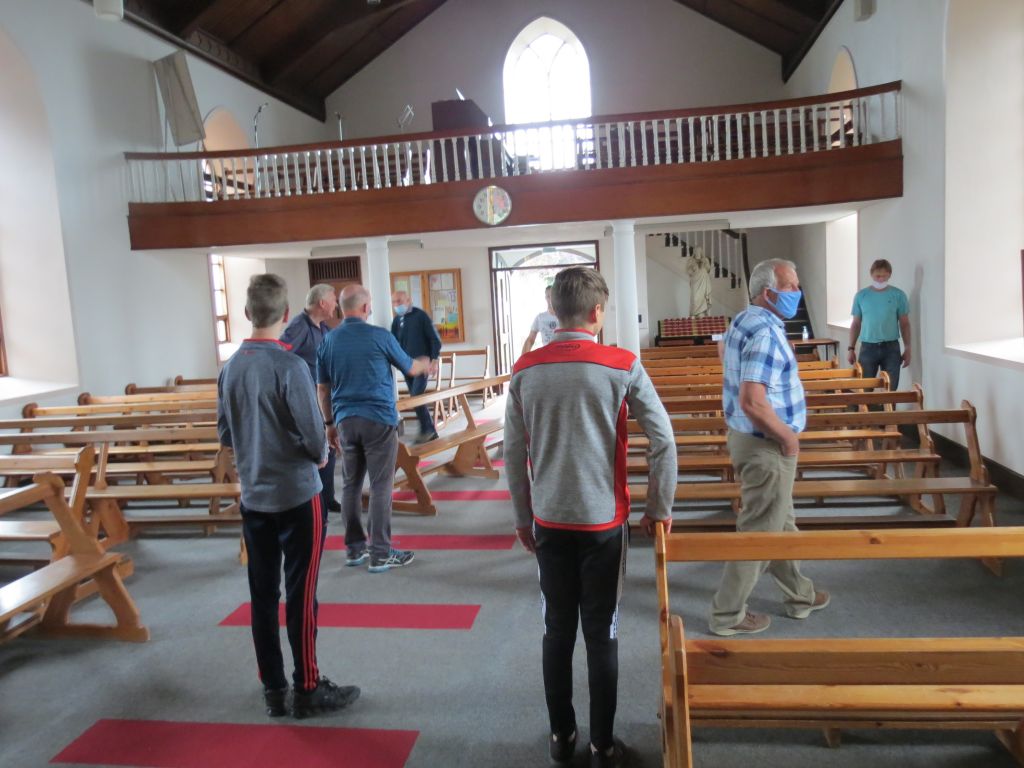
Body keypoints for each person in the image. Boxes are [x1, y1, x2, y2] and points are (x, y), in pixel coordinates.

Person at [505, 267, 677, 768]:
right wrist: (659, 507)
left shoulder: (525, 369)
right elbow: (664, 440)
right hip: (604, 522)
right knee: (602, 634)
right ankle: (602, 745)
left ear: (554, 310)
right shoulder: (622, 364)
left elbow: (512, 453)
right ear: (597, 312)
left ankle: (562, 737)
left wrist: (522, 516)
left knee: (556, 630)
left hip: (549, 518)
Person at [217, 273, 359, 719]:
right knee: (302, 593)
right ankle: (308, 687)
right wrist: (319, 454)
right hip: (297, 497)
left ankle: (274, 689)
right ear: (284, 313)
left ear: (247, 313)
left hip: (254, 497)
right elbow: (316, 439)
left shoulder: (230, 368)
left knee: (262, 595)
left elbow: (226, 435)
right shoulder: (290, 366)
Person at [710, 258, 829, 637]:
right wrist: (789, 440)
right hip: (767, 444)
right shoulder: (766, 334)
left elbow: (725, 356)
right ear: (768, 293)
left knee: (781, 521)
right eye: (791, 286)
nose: (798, 292)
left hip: (750, 439)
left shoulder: (745, 319)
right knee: (760, 531)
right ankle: (727, 614)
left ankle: (800, 595)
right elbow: (752, 401)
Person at [318, 285, 429, 573]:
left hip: (345, 420)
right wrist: (425, 364)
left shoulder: (328, 340)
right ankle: (380, 552)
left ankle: (354, 549)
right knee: (381, 485)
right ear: (366, 307)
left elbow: (323, 388)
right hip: (378, 419)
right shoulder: (380, 336)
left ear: (342, 308)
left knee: (351, 484)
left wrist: (329, 424)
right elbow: (409, 367)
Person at [281, 283, 340, 514]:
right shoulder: (299, 326)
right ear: (322, 303)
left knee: (329, 445)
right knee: (318, 444)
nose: (336, 304)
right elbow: (281, 356)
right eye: (334, 299)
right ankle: (316, 498)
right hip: (307, 396)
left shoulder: (323, 328)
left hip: (323, 395)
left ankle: (328, 497)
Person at [847, 258, 911, 390]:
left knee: (891, 388)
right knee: (865, 388)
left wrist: (908, 348)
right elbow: (856, 324)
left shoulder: (898, 295)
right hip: (868, 347)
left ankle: (888, 405)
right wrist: (851, 348)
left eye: (884, 276)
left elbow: (905, 324)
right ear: (871, 274)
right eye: (877, 276)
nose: (880, 279)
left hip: (891, 347)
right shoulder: (861, 296)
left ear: (889, 275)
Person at [390, 290, 442, 443]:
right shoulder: (396, 320)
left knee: (416, 397)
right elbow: (393, 343)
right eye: (394, 302)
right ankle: (428, 430)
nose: (396, 305)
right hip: (406, 366)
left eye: (399, 301)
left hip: (422, 364)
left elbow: (435, 339)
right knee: (415, 397)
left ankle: (428, 430)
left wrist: (433, 360)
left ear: (408, 300)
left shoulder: (421, 316)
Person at [520, 285, 558, 357]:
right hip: (547, 356)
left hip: (561, 356)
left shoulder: (565, 317)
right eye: (548, 296)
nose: (551, 299)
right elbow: (530, 339)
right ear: (545, 298)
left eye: (553, 296)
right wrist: (523, 359)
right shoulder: (540, 317)